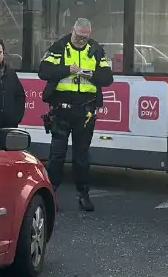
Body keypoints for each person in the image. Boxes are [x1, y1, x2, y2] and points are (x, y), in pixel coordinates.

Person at [37, 18, 113, 212]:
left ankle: (84, 195)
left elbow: (107, 78)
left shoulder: (95, 50)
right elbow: (43, 71)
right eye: (78, 36)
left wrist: (92, 75)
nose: (81, 41)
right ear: (73, 31)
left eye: (85, 37)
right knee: (57, 156)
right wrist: (66, 70)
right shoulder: (59, 47)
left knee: (82, 157)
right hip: (61, 110)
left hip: (85, 112)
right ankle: (51, 195)